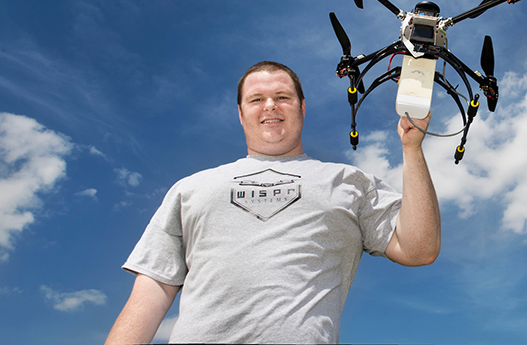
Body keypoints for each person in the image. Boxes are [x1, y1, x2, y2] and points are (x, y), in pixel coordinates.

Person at [105, 61, 440, 344]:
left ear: (302, 106)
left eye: (282, 97)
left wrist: (412, 150)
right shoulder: (190, 188)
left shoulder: (349, 181)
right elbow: (152, 292)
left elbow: (418, 249)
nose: (270, 106)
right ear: (240, 113)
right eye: (256, 99)